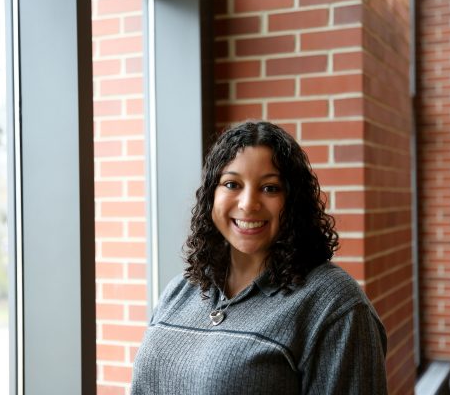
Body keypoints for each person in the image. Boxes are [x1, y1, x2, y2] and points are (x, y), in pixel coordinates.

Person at [131, 121, 388, 394]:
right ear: (211, 196)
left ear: (293, 201)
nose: (248, 204)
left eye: (270, 188)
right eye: (232, 184)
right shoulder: (180, 291)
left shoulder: (334, 304)